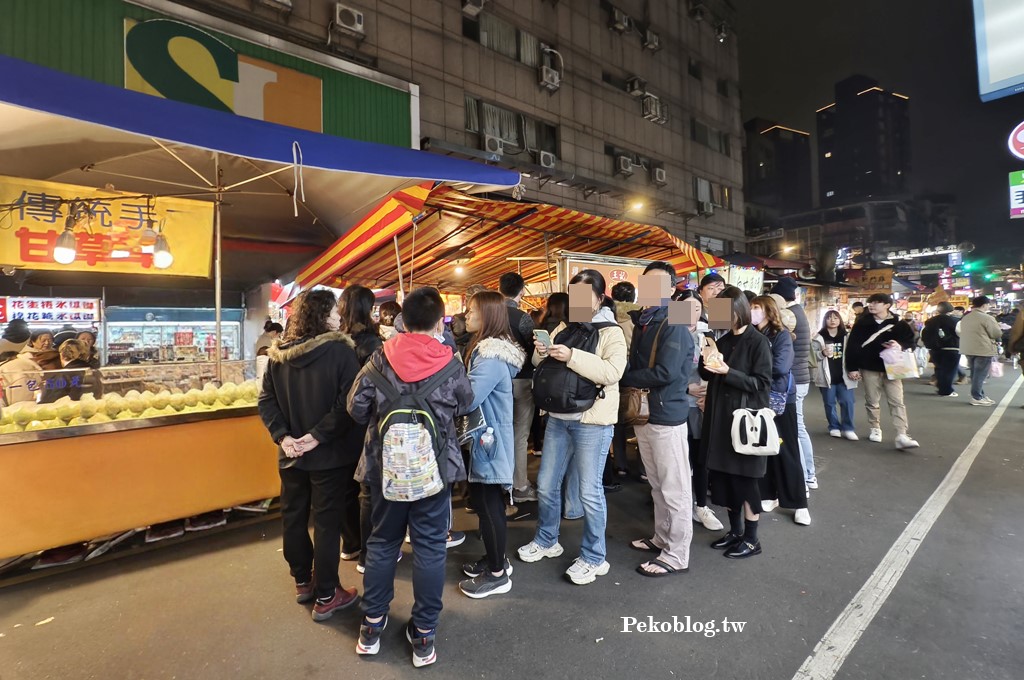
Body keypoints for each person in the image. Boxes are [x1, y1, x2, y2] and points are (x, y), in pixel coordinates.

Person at [347, 286, 474, 667]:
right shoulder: (451, 363)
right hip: (433, 471)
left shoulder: (378, 359)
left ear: (404, 320)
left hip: (385, 470)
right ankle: (423, 635)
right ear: (439, 322)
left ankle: (371, 627)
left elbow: (355, 409)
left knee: (383, 544)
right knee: (431, 548)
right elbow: (466, 404)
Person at [257, 289, 362, 622]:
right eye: (332, 311)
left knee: (293, 516)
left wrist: (284, 437)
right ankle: (328, 594)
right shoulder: (341, 352)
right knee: (328, 524)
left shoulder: (278, 356)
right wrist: (317, 437)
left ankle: (303, 581)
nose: (338, 317)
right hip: (330, 456)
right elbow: (349, 404)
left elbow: (266, 401)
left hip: (291, 456)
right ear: (321, 315)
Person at [517, 269, 627, 585]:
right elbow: (547, 365)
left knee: (590, 492)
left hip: (592, 421)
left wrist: (572, 355)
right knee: (548, 484)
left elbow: (612, 371)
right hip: (558, 418)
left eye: (584, 295)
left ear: (599, 297)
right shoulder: (565, 326)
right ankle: (547, 540)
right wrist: (542, 353)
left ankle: (595, 557)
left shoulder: (611, 331)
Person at [621, 262, 697, 575]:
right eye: (646, 282)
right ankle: (662, 538)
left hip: (666, 413)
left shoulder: (674, 321)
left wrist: (624, 377)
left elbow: (666, 372)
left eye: (658, 284)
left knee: (674, 488)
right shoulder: (645, 321)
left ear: (670, 289)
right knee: (656, 484)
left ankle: (677, 554)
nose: (650, 289)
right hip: (646, 413)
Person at [457, 291, 525, 598]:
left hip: (488, 442)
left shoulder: (490, 356)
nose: (466, 315)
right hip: (489, 440)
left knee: (489, 506)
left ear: (487, 316)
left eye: (472, 311)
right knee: (487, 505)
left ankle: (497, 574)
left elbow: (468, 398)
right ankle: (495, 560)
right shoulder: (489, 352)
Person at [699, 287, 773, 559]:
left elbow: (763, 384)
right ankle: (735, 531)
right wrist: (705, 359)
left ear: (738, 310)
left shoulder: (758, 342)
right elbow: (707, 376)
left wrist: (728, 371)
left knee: (745, 481)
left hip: (745, 425)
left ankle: (752, 539)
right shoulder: (724, 340)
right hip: (719, 419)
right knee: (724, 479)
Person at [751, 296, 810, 526]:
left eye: (756, 307)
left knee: (788, 450)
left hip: (781, 399)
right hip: (760, 397)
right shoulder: (754, 334)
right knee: (765, 448)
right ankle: (769, 494)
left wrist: (752, 368)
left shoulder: (782, 334)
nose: (752, 311)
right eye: (751, 308)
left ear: (769, 310)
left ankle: (799, 503)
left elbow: (780, 367)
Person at [337, 285, 384, 569]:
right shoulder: (373, 344)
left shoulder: (335, 341)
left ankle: (351, 543)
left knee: (345, 485)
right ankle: (369, 551)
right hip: (363, 420)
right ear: (368, 308)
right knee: (368, 489)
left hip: (337, 421)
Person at [845, 293, 920, 450]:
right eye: (870, 302)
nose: (871, 305)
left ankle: (901, 434)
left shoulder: (899, 324)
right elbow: (852, 346)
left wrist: (900, 345)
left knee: (897, 401)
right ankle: (875, 427)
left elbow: (911, 342)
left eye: (876, 302)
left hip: (893, 367)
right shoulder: (862, 323)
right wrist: (852, 367)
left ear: (887, 305)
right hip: (869, 366)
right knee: (872, 399)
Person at [770, 276, 816, 490]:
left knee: (794, 429)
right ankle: (807, 475)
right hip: (798, 379)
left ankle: (805, 476)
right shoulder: (798, 312)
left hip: (793, 381)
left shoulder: (789, 316)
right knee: (796, 427)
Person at [500, 272, 539, 504]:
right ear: (522, 291)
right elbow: (533, 349)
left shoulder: (489, 314)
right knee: (519, 434)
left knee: (498, 432)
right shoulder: (522, 317)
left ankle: (500, 482)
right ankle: (520, 485)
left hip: (495, 381)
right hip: (522, 380)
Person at [609, 281, 643, 486]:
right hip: (635, 368)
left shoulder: (608, 312)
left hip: (614, 367)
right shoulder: (641, 313)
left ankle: (620, 464)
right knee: (639, 412)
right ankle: (643, 467)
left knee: (616, 417)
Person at [812, 310, 858, 438]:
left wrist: (855, 370)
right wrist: (822, 354)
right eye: (829, 318)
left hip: (845, 376)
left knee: (847, 402)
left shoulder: (846, 337)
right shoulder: (818, 338)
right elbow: (811, 357)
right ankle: (834, 426)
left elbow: (853, 354)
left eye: (835, 318)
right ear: (824, 320)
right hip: (826, 376)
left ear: (840, 321)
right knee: (829, 403)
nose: (832, 320)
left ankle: (848, 428)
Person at [956, 296, 1002, 406]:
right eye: (988, 304)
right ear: (984, 305)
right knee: (980, 374)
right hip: (983, 349)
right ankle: (976, 396)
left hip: (968, 348)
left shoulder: (966, 317)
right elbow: (996, 333)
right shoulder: (987, 318)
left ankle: (980, 395)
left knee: (974, 373)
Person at [921, 302, 960, 397]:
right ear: (951, 310)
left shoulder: (930, 321)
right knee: (950, 370)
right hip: (952, 347)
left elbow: (924, 334)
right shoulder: (955, 321)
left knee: (939, 368)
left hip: (935, 348)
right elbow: (960, 333)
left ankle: (941, 388)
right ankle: (946, 390)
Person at [38, 339, 95, 403]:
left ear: (62, 355)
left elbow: (47, 403)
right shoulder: (95, 371)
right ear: (85, 355)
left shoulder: (60, 376)